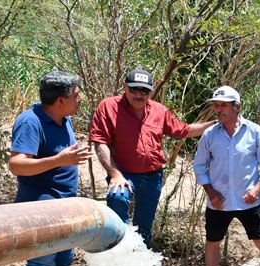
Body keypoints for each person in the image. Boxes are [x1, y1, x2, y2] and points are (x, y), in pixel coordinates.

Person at [90, 69, 215, 246]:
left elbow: (182, 130)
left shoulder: (159, 110)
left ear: (151, 91)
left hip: (152, 177)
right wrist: (115, 174)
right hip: (123, 174)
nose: (139, 95)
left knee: (144, 228)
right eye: (134, 89)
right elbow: (100, 142)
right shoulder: (108, 107)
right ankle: (121, 248)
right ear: (125, 87)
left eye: (145, 91)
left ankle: (141, 263)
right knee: (117, 198)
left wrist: (214, 124)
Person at [8, 71, 92, 266]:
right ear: (61, 100)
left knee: (62, 260)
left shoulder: (65, 119)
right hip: (40, 207)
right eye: (76, 95)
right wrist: (59, 160)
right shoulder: (30, 122)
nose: (80, 99)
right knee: (41, 262)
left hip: (64, 204)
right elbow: (17, 165)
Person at [193, 86, 260, 266]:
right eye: (216, 105)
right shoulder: (210, 135)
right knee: (213, 242)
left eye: (223, 105)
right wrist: (211, 192)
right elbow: (199, 165)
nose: (218, 109)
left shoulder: (255, 132)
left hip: (249, 200)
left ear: (237, 107)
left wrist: (258, 188)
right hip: (218, 202)